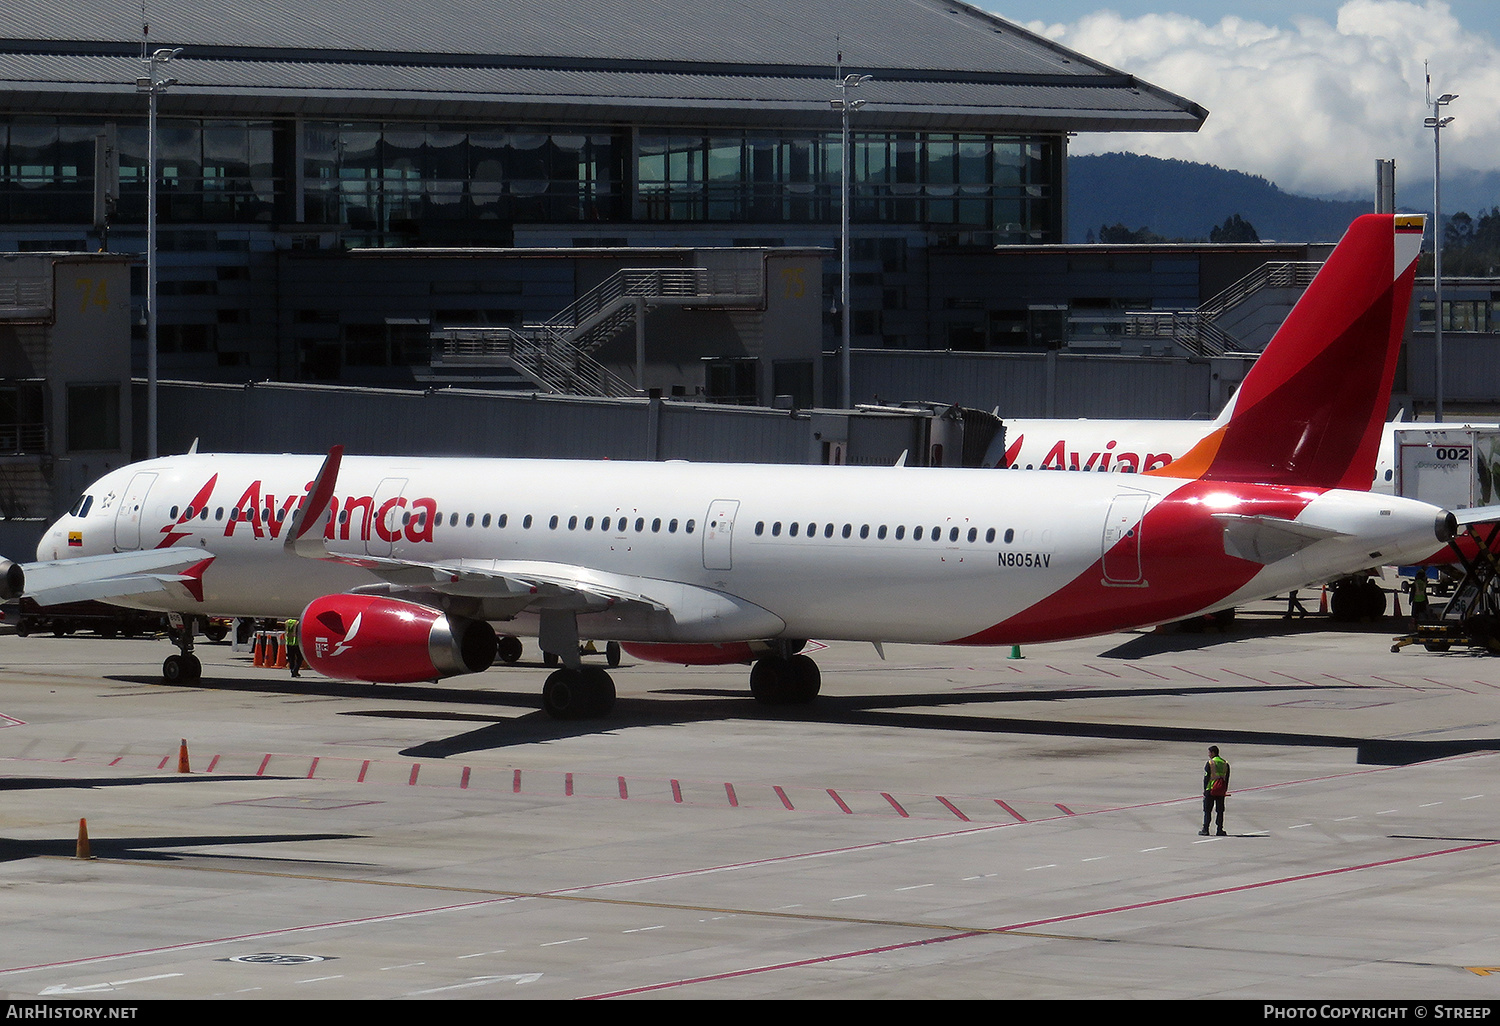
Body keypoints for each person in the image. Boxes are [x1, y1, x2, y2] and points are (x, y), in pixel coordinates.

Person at [1200, 745, 1230, 836]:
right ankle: (1219, 829)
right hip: (1221, 789)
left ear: (1213, 753)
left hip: (1211, 789)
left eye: (1209, 752)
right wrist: (1224, 790)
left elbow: (1206, 777)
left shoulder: (1210, 763)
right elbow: (1227, 778)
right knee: (1220, 810)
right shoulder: (1225, 763)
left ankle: (1206, 829)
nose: (1208, 755)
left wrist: (1205, 789)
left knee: (1207, 810)